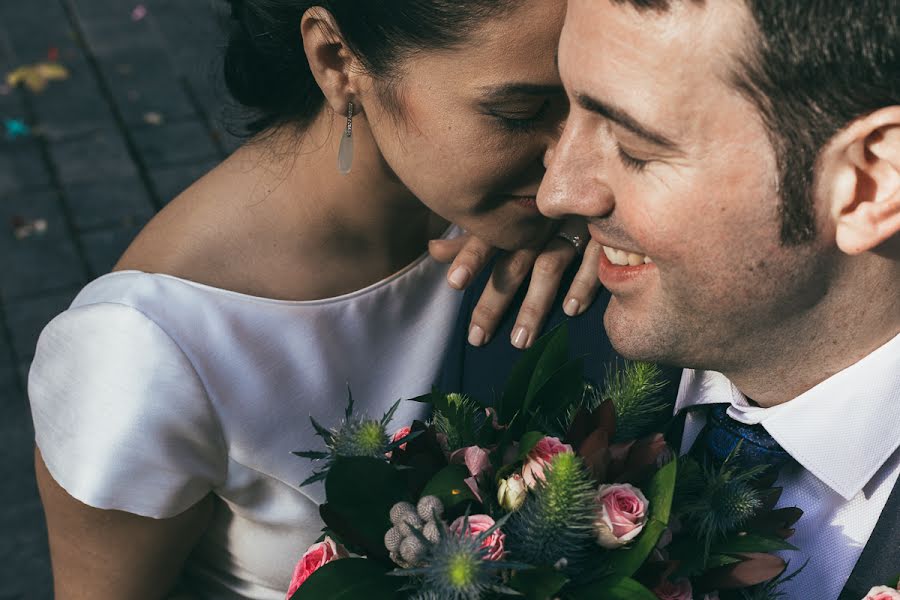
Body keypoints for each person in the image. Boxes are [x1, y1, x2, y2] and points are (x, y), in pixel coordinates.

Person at [26, 1, 602, 598]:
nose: (576, 174)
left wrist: (606, 234)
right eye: (519, 112)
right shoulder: (141, 349)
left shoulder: (536, 216)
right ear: (338, 61)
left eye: (596, 104)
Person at [537, 1, 900, 598]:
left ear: (870, 184)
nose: (558, 192)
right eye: (560, 108)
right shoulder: (514, 331)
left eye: (634, 147)